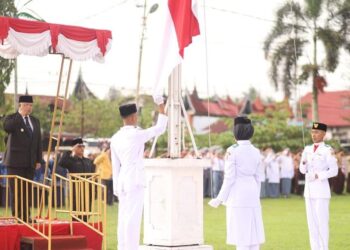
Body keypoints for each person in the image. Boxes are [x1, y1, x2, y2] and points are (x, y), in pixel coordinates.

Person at [111, 100, 168, 250]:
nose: (136, 118)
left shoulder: (115, 137)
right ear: (132, 117)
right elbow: (160, 128)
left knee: (123, 218)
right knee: (133, 219)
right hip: (134, 180)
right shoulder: (136, 134)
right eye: (135, 115)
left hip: (122, 180)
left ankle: (122, 247)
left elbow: (115, 166)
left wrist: (116, 185)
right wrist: (161, 107)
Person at [208, 116, 265, 250]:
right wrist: (255, 195)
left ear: (236, 132)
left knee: (242, 235)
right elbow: (258, 178)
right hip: (252, 192)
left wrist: (219, 198)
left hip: (238, 194)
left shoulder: (232, 150)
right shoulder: (256, 151)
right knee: (253, 234)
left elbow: (229, 178)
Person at [3, 95, 42, 222]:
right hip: (14, 162)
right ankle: (18, 216)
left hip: (29, 163)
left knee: (27, 191)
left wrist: (38, 159)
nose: (29, 108)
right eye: (26, 105)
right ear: (20, 105)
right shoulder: (12, 118)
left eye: (31, 105)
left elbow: (38, 142)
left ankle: (26, 216)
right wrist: (20, 115)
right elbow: (7, 128)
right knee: (17, 191)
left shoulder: (35, 121)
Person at [299, 122, 338, 250]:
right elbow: (302, 170)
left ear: (323, 134)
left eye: (316, 132)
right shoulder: (307, 149)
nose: (313, 135)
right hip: (309, 191)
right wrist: (304, 163)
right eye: (312, 132)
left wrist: (317, 175)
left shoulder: (327, 150)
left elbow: (334, 171)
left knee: (321, 223)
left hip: (321, 190)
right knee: (312, 224)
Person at [58, 137, 95, 222]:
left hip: (87, 190)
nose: (82, 148)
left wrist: (94, 190)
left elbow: (93, 176)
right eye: (79, 146)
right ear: (74, 148)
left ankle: (84, 228)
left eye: (83, 146)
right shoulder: (71, 161)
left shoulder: (88, 161)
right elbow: (61, 162)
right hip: (76, 190)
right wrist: (71, 150)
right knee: (77, 213)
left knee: (87, 212)